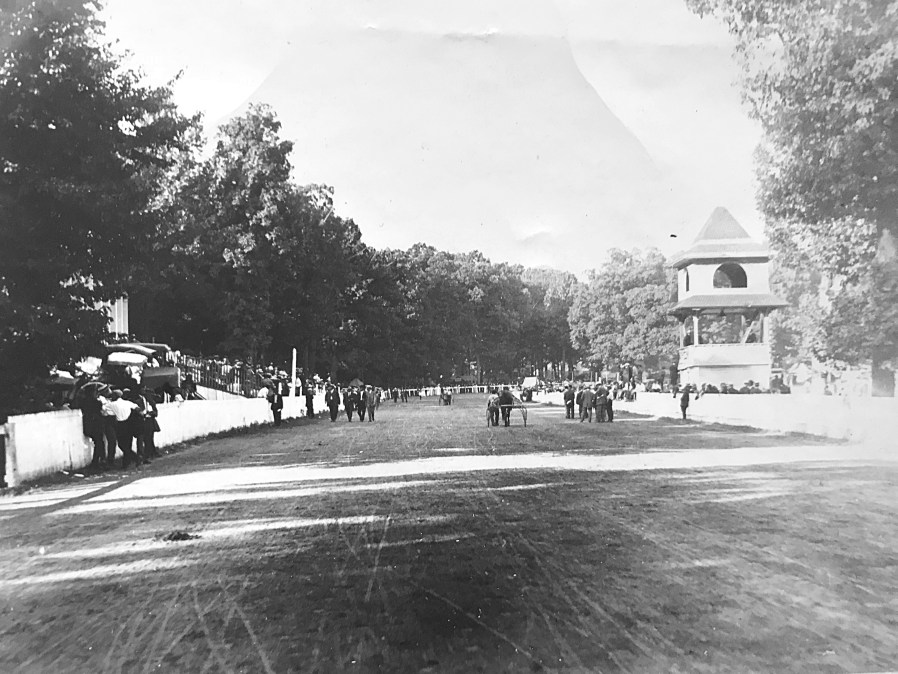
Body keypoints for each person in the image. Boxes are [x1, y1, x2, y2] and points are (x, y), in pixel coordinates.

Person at [106, 389, 140, 469]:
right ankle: (128, 462)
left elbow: (106, 412)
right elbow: (137, 408)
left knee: (122, 444)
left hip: (120, 425)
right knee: (128, 444)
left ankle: (133, 458)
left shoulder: (111, 404)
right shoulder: (127, 403)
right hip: (129, 424)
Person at [142, 385, 161, 458]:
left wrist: (151, 413)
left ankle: (150, 452)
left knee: (149, 437)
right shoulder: (139, 401)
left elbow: (156, 412)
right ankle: (149, 452)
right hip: (144, 420)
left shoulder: (151, 402)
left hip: (150, 421)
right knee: (146, 438)